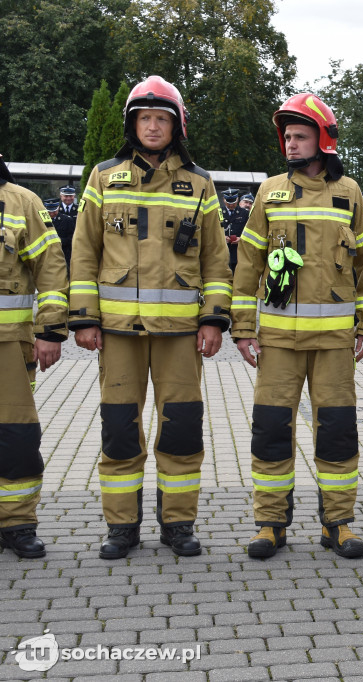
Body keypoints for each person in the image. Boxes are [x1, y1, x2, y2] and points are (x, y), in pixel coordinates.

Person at [69, 75, 232, 560]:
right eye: (144, 118)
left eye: (161, 118)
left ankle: (178, 525)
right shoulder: (104, 177)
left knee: (180, 428)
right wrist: (84, 319)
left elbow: (216, 260)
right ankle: (122, 528)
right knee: (120, 431)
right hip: (118, 333)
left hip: (181, 335)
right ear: (132, 124)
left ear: (176, 125)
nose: (153, 126)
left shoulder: (199, 184)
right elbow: (83, 252)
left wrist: (212, 319)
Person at [232, 93, 363, 560]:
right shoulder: (269, 192)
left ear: (324, 140)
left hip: (335, 342)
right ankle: (270, 524)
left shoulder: (349, 193)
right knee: (271, 430)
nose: (291, 144)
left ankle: (337, 524)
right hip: (277, 341)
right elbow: (249, 262)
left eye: (300, 136)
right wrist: (242, 327)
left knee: (337, 432)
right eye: (288, 137)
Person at [0, 154, 68, 559]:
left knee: (16, 436)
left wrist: (50, 330)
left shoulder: (21, 201)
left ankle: (17, 524)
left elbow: (51, 268)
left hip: (8, 343)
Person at [220, 188, 248, 272]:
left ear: (237, 199)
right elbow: (212, 230)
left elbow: (249, 230)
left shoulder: (245, 213)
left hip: (238, 253)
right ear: (224, 200)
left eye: (233, 202)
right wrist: (222, 237)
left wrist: (241, 239)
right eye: (228, 202)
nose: (231, 205)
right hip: (222, 252)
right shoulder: (218, 212)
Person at [44, 198, 75, 271]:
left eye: (54, 211)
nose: (51, 214)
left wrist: (60, 241)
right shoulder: (41, 221)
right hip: (47, 255)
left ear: (58, 208)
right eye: (49, 212)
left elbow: (72, 238)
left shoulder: (67, 220)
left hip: (63, 254)